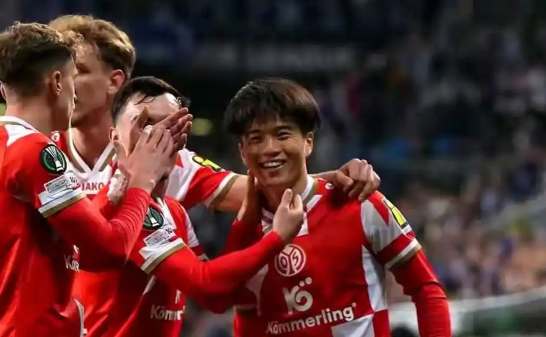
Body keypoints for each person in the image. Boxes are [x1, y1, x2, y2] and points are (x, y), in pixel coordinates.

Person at [0, 23, 179, 337]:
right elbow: (106, 250)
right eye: (74, 78)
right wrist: (142, 184)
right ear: (57, 82)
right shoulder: (36, 151)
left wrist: (115, 193)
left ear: (5, 89)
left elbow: (61, 231)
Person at [72, 75, 304, 337]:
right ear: (115, 138)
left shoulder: (173, 212)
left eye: (170, 125)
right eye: (145, 124)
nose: (158, 136)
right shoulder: (123, 206)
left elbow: (217, 297)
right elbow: (206, 284)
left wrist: (245, 220)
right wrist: (275, 239)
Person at [223, 78, 454, 337]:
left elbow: (426, 289)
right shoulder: (244, 236)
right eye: (256, 138)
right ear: (242, 151)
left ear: (309, 142)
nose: (270, 149)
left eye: (283, 134)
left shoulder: (360, 203)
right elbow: (248, 334)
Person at [47, 14, 381, 210]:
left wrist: (339, 178)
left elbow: (265, 191)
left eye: (79, 71)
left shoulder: (164, 158)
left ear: (115, 81)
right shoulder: (38, 152)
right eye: (59, 72)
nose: (63, 82)